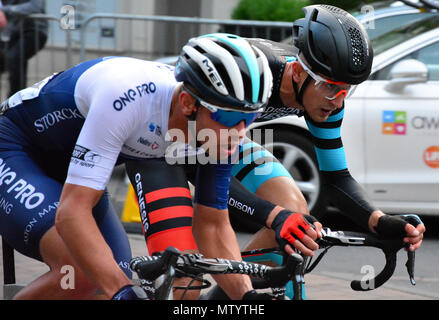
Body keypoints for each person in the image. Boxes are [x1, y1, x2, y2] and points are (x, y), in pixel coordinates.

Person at [0, 33, 286, 300]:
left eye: (249, 119)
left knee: (112, 274)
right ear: (188, 104)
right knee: (80, 272)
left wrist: (247, 299)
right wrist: (122, 293)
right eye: (228, 117)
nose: (239, 131)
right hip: (16, 148)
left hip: (73, 172)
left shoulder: (218, 132)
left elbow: (212, 225)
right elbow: (72, 212)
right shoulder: (127, 98)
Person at [223, 4, 425, 257]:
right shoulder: (252, 78)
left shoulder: (324, 99)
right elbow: (199, 163)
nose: (338, 101)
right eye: (331, 87)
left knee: (296, 218)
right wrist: (273, 216)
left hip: (224, 139)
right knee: (186, 258)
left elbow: (337, 179)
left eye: (346, 89)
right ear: (297, 72)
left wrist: (380, 221)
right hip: (176, 142)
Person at [0, 0, 48, 97]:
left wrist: (4, 10)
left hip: (35, 30)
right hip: (13, 32)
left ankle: (15, 101)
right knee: (8, 60)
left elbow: (35, 7)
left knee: (14, 57)